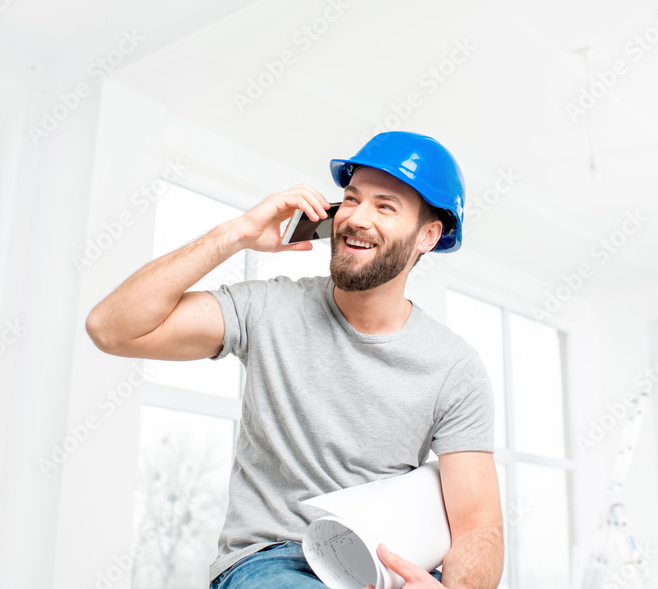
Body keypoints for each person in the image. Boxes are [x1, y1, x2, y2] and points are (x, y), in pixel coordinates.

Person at [85, 131, 504, 588]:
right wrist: (236, 234)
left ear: (428, 235)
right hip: (274, 561)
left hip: (384, 565)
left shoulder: (454, 368)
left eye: (385, 206)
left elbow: (478, 527)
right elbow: (111, 328)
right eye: (350, 199)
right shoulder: (269, 309)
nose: (356, 218)